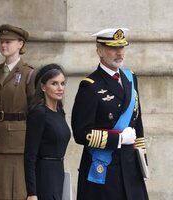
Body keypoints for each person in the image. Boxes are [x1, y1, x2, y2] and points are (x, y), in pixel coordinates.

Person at [71, 28, 149, 200]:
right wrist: (119, 139)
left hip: (130, 167)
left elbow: (138, 123)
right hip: (104, 169)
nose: (119, 52)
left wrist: (142, 162)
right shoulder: (90, 86)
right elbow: (81, 133)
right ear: (99, 51)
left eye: (122, 47)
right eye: (113, 48)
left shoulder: (130, 78)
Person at [0, 24, 35, 200]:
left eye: (9, 42)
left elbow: (36, 112)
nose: (4, 45)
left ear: (20, 44)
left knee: (16, 192)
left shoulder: (29, 73)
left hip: (17, 145)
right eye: (2, 42)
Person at [24, 64, 71, 200]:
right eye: (54, 83)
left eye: (62, 83)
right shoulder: (38, 113)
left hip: (58, 173)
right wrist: (32, 193)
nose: (60, 88)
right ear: (43, 87)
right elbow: (29, 156)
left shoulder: (60, 112)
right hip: (44, 177)